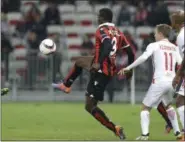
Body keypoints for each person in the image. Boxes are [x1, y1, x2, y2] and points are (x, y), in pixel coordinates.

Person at [52, 8, 135, 140]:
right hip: (103, 66)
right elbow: (131, 53)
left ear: (102, 18)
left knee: (90, 105)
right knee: (79, 61)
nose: (97, 18)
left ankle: (115, 129)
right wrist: (130, 69)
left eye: (98, 16)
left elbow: (107, 46)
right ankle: (66, 85)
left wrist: (98, 62)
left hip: (102, 71)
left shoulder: (101, 30)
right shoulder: (119, 33)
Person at [118, 24, 182, 140]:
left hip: (159, 81)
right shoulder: (174, 47)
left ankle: (145, 135)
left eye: (156, 33)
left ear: (161, 34)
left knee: (145, 107)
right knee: (168, 105)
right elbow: (181, 63)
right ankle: (178, 132)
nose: (154, 35)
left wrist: (128, 67)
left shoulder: (154, 45)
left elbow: (143, 57)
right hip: (172, 82)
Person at [171, 10, 185, 140]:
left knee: (180, 101)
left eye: (173, 20)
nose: (171, 23)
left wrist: (178, 75)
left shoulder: (182, 36)